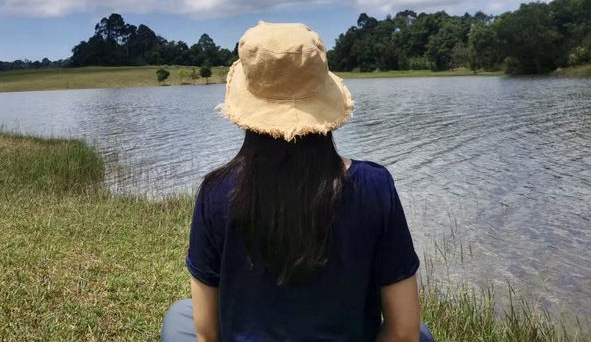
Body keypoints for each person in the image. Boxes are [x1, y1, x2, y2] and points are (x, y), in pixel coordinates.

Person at [161, 22, 434, 342]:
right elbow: (403, 333)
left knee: (180, 315)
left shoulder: (215, 191)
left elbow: (208, 333)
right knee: (421, 331)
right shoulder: (375, 186)